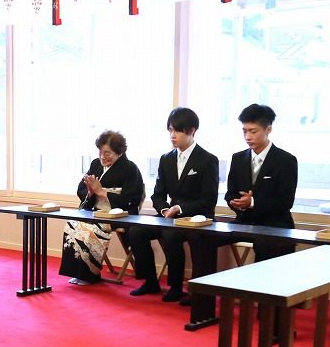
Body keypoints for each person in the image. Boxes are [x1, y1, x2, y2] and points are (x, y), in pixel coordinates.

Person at [126, 107, 219, 303]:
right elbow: (158, 194)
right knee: (135, 231)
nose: (172, 135)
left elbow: (208, 199)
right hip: (170, 216)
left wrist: (180, 209)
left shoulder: (207, 160)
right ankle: (150, 281)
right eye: (170, 130)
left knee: (170, 233)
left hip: (197, 218)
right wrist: (164, 209)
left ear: (192, 130)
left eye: (177, 130)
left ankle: (177, 287)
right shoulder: (166, 159)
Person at [58, 130, 145, 285]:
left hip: (119, 214)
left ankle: (90, 275)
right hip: (95, 212)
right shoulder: (95, 165)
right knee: (73, 224)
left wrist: (101, 192)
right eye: (100, 152)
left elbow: (131, 199)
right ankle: (78, 272)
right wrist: (91, 192)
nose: (103, 157)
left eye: (107, 153)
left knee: (91, 229)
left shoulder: (130, 169)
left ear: (120, 152)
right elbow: (81, 188)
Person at [225, 103, 298, 261]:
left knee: (264, 243)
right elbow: (230, 193)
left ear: (268, 130)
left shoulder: (286, 161)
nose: (247, 137)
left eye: (253, 131)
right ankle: (204, 285)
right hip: (244, 221)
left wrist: (252, 202)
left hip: (275, 224)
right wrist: (237, 203)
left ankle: (256, 286)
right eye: (244, 131)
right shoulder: (238, 158)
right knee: (206, 236)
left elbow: (285, 202)